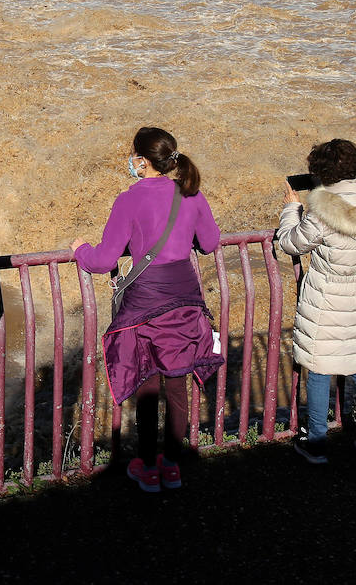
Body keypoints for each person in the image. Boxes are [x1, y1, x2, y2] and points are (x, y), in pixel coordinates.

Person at [70, 127, 223, 493]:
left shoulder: (129, 198)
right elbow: (212, 242)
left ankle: (148, 468)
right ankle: (172, 467)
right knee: (178, 385)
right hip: (185, 299)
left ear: (141, 160)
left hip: (146, 303)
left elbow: (105, 258)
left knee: (147, 384)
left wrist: (80, 249)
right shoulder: (191, 194)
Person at [276, 139, 356, 465]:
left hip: (327, 302)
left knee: (319, 369)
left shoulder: (323, 211)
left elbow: (291, 244)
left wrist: (292, 209)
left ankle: (316, 444)